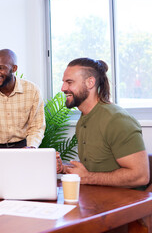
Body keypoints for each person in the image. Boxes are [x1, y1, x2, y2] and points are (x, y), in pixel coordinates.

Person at [56, 58, 150, 189]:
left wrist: (88, 177)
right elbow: (95, 169)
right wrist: (64, 168)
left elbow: (141, 176)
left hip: (125, 202)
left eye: (69, 82)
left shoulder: (117, 120)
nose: (63, 88)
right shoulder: (83, 119)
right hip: (95, 198)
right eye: (63, 82)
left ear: (90, 82)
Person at [0, 49, 45, 149]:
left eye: (1, 68)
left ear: (14, 68)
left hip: (24, 147)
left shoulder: (32, 90)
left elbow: (36, 126)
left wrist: (31, 146)